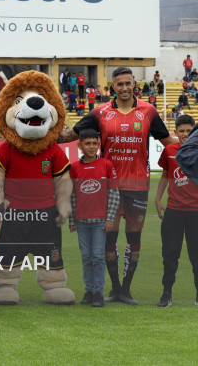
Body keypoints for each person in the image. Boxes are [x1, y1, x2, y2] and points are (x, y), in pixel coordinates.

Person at [60, 67, 176, 304]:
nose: (124, 88)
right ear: (112, 86)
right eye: (119, 84)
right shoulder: (99, 112)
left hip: (138, 186)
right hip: (108, 187)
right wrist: (42, 133)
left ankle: (126, 289)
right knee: (108, 240)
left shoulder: (149, 111)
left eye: (128, 83)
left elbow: (168, 140)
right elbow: (69, 136)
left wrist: (190, 138)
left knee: (134, 240)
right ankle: (113, 288)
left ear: (134, 84)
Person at [68, 129, 119, 308]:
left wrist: (110, 218)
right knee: (86, 256)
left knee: (97, 256)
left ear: (99, 145)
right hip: (82, 221)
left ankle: (98, 292)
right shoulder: (74, 167)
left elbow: (113, 194)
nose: (91, 147)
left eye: (94, 144)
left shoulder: (106, 165)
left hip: (100, 221)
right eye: (87, 143)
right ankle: (88, 290)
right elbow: (72, 196)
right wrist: (72, 220)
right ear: (79, 145)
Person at [155, 115, 198, 307]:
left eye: (189, 131)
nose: (185, 134)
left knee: (196, 255)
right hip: (174, 210)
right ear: (175, 132)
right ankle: (166, 294)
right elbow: (165, 174)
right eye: (181, 131)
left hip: (196, 211)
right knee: (170, 254)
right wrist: (157, 198)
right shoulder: (169, 150)